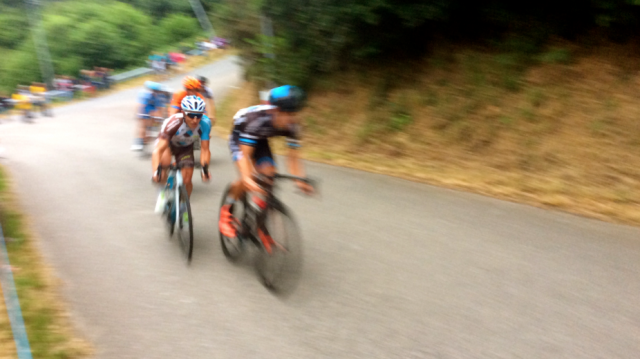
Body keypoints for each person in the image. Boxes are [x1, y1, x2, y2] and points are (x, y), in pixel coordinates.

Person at [219, 85, 313, 238]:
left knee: (269, 175)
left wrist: (300, 179)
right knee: (247, 179)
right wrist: (248, 178)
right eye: (288, 113)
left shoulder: (293, 125)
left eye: (295, 113)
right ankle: (227, 210)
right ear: (275, 110)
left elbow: (293, 156)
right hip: (240, 136)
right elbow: (245, 156)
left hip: (260, 139)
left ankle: (260, 219)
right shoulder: (256, 121)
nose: (292, 118)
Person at [151, 96, 211, 200]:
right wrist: (156, 171)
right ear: (183, 113)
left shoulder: (205, 124)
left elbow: (205, 149)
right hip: (167, 144)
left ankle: (183, 206)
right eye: (191, 115)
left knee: (187, 180)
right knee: (165, 162)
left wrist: (204, 170)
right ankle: (162, 191)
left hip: (185, 147)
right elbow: (158, 150)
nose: (195, 120)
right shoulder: (174, 122)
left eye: (199, 115)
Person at [131, 81, 167, 151]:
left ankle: (144, 139)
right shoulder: (145, 94)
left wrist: (159, 117)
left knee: (148, 127)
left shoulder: (157, 95)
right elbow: (141, 106)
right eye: (156, 91)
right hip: (145, 111)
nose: (157, 92)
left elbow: (159, 107)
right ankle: (140, 141)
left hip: (151, 110)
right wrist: (138, 114)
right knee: (142, 126)